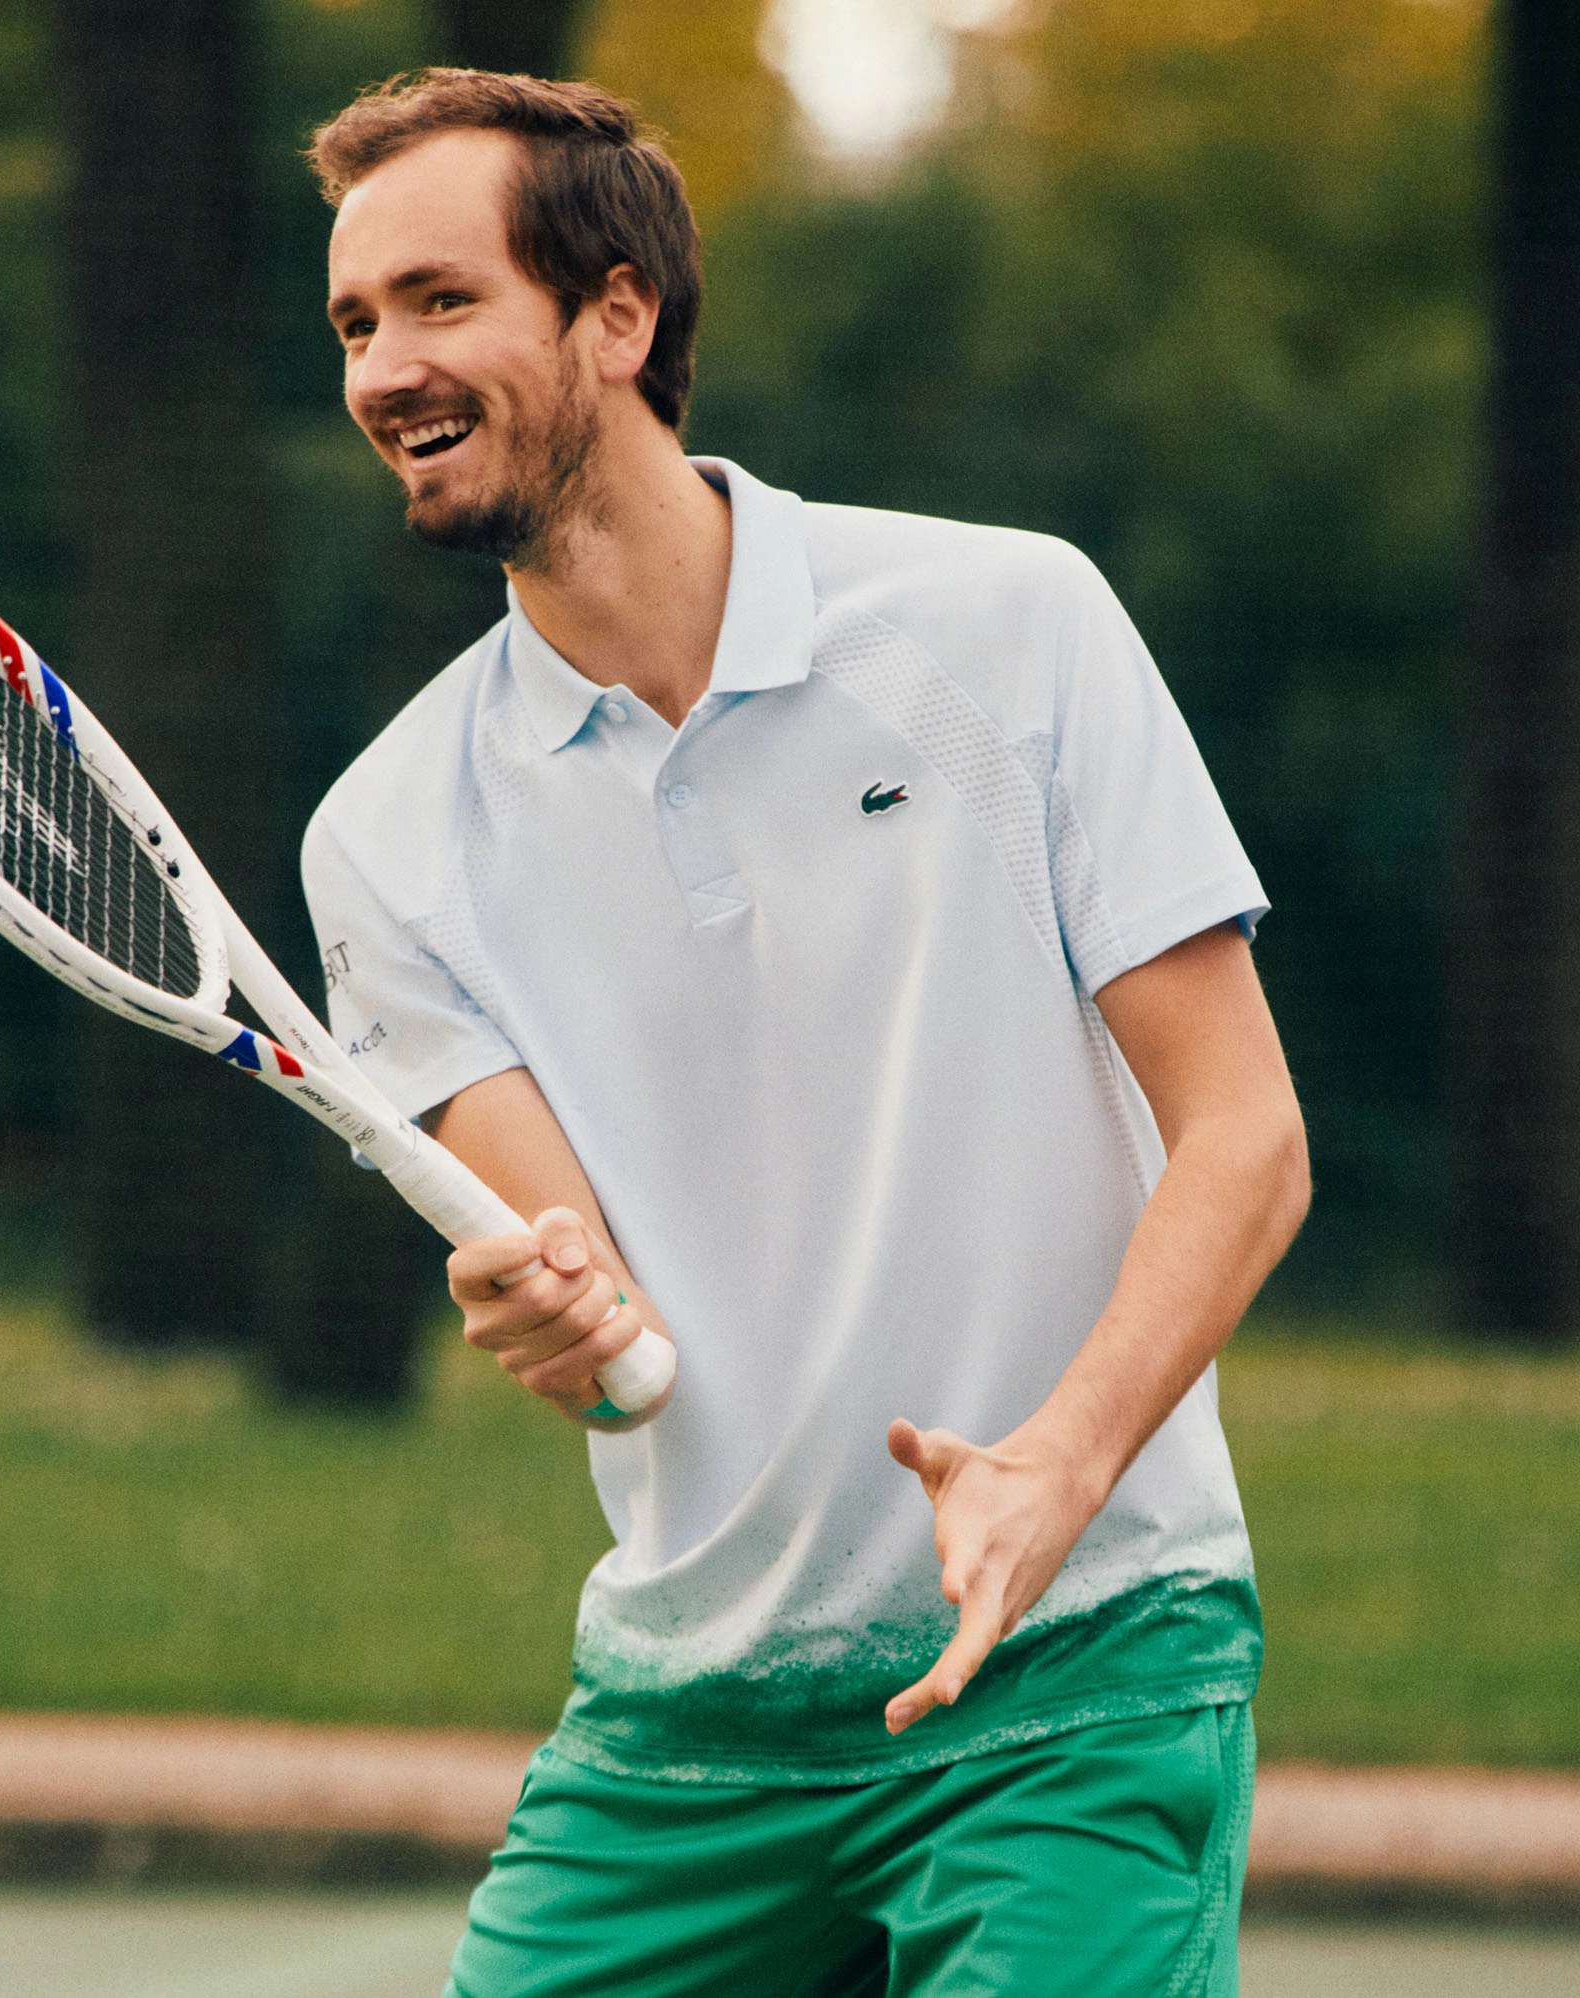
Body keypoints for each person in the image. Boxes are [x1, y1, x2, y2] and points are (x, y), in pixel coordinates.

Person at [301, 68, 1310, 1998]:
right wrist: (566, 1331)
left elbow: (1248, 1141)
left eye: (440, 300)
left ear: (618, 316)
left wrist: (1057, 1465)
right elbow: (619, 1347)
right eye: (355, 322)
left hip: (1081, 1664)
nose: (381, 367)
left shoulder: (1013, 628)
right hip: (688, 1731)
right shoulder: (387, 835)